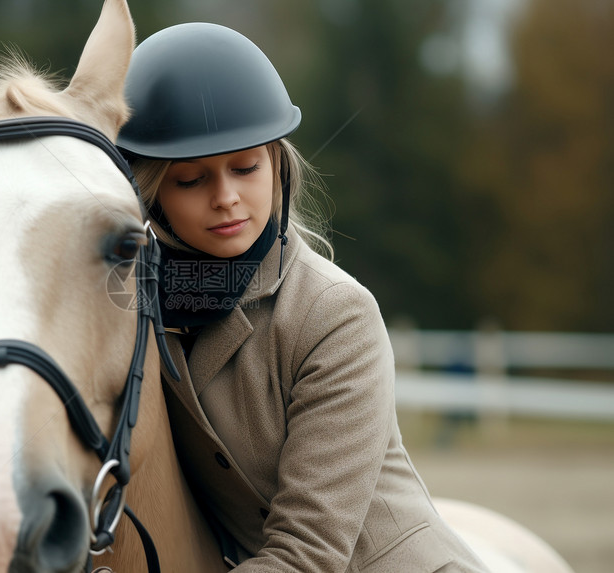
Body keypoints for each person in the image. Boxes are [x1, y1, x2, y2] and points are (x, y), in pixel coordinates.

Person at [116, 22, 490, 573]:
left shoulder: (336, 315)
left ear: (277, 166)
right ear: (153, 195)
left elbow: (308, 551)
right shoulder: (137, 309)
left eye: (246, 168)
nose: (227, 199)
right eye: (192, 180)